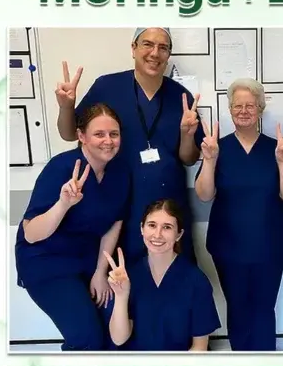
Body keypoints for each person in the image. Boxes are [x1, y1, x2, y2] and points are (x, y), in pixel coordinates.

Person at [55, 27, 204, 264]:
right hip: (121, 203)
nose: (155, 53)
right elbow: (70, 134)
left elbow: (189, 158)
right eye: (147, 44)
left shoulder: (181, 96)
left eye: (163, 47)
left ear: (168, 55)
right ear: (133, 48)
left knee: (173, 272)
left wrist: (187, 135)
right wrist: (66, 107)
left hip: (168, 203)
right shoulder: (107, 87)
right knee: (122, 272)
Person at [194, 78, 283, 351]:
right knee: (238, 308)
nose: (244, 111)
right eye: (238, 106)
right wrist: (209, 160)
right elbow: (204, 194)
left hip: (269, 246)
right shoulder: (217, 148)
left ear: (260, 109)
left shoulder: (276, 149)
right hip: (228, 246)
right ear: (230, 110)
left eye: (250, 105)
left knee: (264, 309)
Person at [15, 104, 131, 351]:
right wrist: (63, 204)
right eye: (99, 134)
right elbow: (31, 234)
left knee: (117, 327)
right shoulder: (61, 168)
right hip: (47, 262)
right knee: (87, 337)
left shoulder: (120, 172)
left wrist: (100, 272)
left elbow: (114, 223)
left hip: (87, 261)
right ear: (81, 136)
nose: (108, 141)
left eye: (114, 134)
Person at [106, 199, 221, 351]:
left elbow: (199, 347)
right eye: (152, 225)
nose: (157, 234)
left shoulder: (196, 281)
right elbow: (118, 339)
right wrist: (121, 296)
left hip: (179, 364)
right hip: (137, 364)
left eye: (167, 227)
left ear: (179, 234)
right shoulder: (129, 277)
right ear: (142, 229)